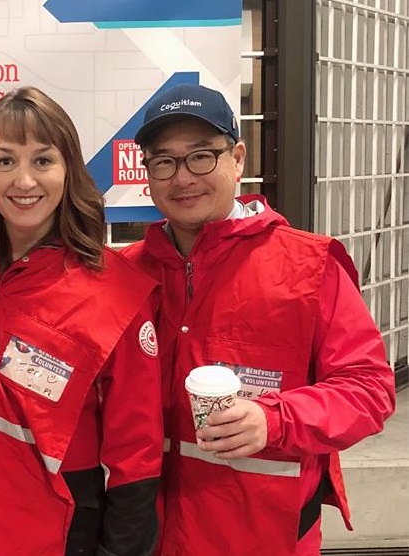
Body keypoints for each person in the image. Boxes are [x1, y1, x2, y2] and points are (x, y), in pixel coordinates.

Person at [121, 83, 396, 555]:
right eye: (164, 161)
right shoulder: (125, 274)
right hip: (146, 538)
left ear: (238, 158)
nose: (183, 178)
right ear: (147, 173)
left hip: (264, 538)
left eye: (201, 156)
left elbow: (369, 389)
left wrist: (275, 420)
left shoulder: (309, 266)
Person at [0, 86, 164, 556]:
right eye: (4, 161)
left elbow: (136, 455)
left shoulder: (115, 291)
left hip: (56, 536)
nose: (23, 181)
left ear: (69, 171)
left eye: (42, 160)